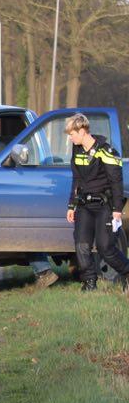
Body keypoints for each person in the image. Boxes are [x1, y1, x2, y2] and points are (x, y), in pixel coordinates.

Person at [65, 112, 129, 292]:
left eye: (72, 134)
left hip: (104, 206)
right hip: (84, 206)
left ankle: (127, 271)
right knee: (81, 245)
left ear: (83, 130)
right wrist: (72, 205)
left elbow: (116, 182)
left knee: (105, 248)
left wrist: (117, 209)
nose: (70, 138)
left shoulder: (106, 151)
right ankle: (89, 283)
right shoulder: (77, 151)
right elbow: (76, 180)